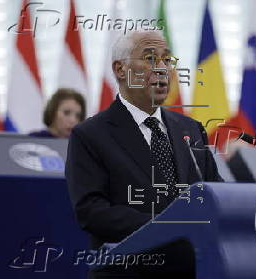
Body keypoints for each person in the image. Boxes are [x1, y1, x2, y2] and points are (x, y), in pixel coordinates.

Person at [65, 30, 223, 278]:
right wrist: (167, 228)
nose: (162, 68)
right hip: (129, 270)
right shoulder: (90, 135)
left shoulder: (190, 129)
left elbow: (215, 192)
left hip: (193, 269)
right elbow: (91, 211)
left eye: (167, 60)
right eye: (150, 59)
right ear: (120, 70)